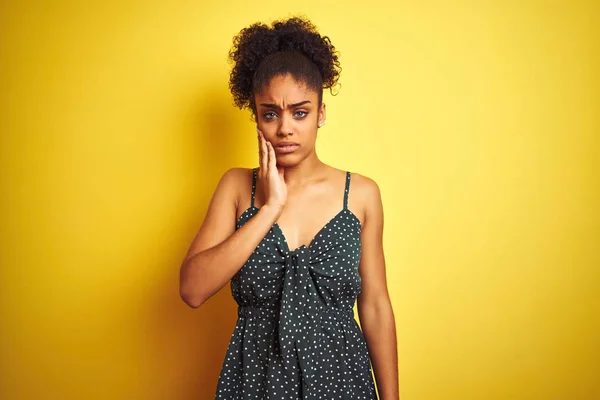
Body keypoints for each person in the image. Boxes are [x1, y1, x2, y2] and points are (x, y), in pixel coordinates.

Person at [179, 16, 399, 400]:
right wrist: (269, 209)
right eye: (270, 114)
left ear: (321, 114)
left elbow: (376, 305)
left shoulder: (361, 194)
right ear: (256, 118)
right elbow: (193, 290)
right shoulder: (236, 187)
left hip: (343, 382)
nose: (285, 129)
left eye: (300, 112)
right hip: (255, 382)